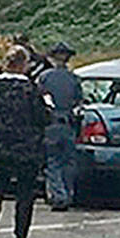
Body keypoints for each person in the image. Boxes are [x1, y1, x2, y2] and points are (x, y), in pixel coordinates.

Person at [0, 46, 50, 238]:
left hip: (1, 146)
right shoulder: (31, 89)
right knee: (25, 196)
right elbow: (41, 118)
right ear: (23, 65)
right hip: (27, 148)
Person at [38, 41, 81, 210]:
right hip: (69, 125)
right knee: (68, 162)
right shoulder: (74, 79)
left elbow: (41, 101)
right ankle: (68, 194)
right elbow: (79, 104)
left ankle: (58, 196)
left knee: (53, 162)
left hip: (51, 125)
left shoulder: (45, 78)